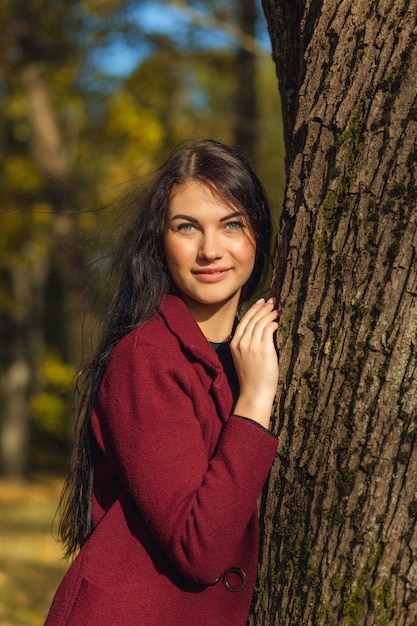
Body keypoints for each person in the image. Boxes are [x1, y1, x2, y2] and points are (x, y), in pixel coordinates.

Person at [45, 139, 279, 626]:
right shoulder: (145, 358)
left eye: (231, 224)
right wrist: (256, 398)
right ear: (160, 241)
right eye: (187, 227)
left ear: (258, 231)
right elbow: (200, 548)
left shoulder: (253, 348)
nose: (210, 250)